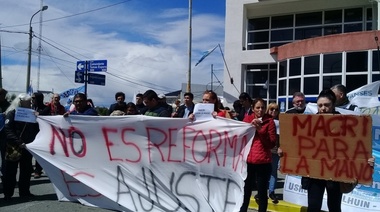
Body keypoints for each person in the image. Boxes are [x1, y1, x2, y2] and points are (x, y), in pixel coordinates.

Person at [302, 89, 373, 212]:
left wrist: (366, 159)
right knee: (313, 207)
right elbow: (299, 144)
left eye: (326, 105)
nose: (323, 108)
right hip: (314, 173)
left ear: (333, 105)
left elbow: (354, 146)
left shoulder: (344, 123)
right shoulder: (309, 123)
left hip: (336, 173)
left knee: (334, 207)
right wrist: (286, 151)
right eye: (320, 105)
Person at [240, 98, 276, 212]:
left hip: (263, 162)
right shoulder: (247, 119)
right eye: (258, 107)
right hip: (249, 161)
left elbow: (271, 143)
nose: (260, 110)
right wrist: (248, 127)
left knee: (261, 192)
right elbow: (240, 136)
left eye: (263, 108)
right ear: (252, 109)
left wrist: (260, 130)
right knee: (246, 191)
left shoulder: (269, 121)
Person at [3, 94, 38, 201]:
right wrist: (18, 142)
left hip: (27, 147)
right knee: (10, 171)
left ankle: (24, 192)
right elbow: (8, 130)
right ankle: (8, 194)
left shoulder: (32, 115)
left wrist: (38, 117)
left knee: (26, 170)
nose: (30, 103)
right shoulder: (12, 113)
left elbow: (35, 129)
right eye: (28, 102)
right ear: (21, 102)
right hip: (13, 146)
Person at [266, 103, 282, 204]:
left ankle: (271, 191)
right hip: (265, 149)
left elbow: (282, 137)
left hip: (275, 150)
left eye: (276, 110)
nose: (274, 112)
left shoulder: (280, 122)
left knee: (273, 172)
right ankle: (263, 191)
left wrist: (280, 147)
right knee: (264, 172)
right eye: (271, 109)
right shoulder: (264, 120)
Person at [31, 92, 49, 179]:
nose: (32, 100)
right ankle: (30, 168)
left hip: (41, 133)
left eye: (34, 98)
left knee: (39, 152)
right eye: (32, 98)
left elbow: (46, 116)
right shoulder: (31, 108)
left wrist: (38, 114)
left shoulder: (46, 108)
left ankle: (38, 170)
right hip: (31, 132)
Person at [0, 88, 10, 179]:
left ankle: (4, 174)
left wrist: (6, 114)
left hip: (4, 135)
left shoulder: (9, 105)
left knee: (4, 156)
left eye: (1, 95)